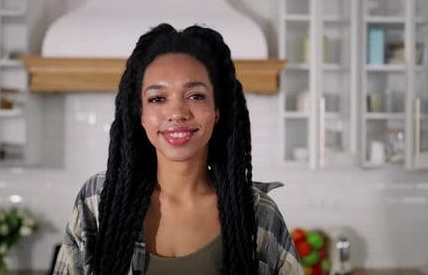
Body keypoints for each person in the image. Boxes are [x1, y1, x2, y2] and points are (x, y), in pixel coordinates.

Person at [53, 23, 302, 275]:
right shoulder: (98, 202)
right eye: (157, 98)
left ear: (216, 110)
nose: (177, 113)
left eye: (195, 96)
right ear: (139, 113)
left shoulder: (257, 214)